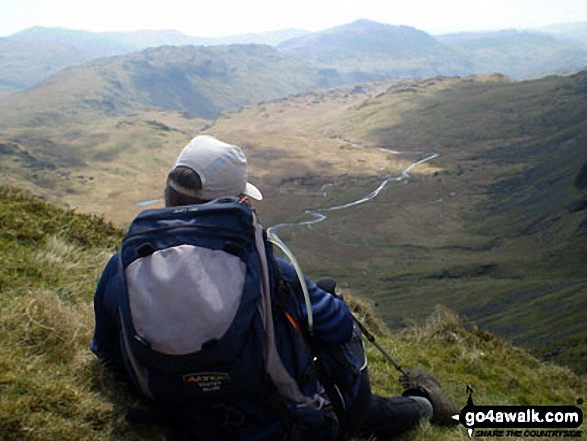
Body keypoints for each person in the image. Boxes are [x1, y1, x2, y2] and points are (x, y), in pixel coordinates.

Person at [91, 135, 458, 440]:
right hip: (273, 423)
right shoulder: (273, 274)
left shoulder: (121, 269)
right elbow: (340, 325)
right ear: (236, 205)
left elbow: (107, 353)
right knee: (330, 310)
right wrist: (328, 300)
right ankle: (423, 405)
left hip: (177, 416)